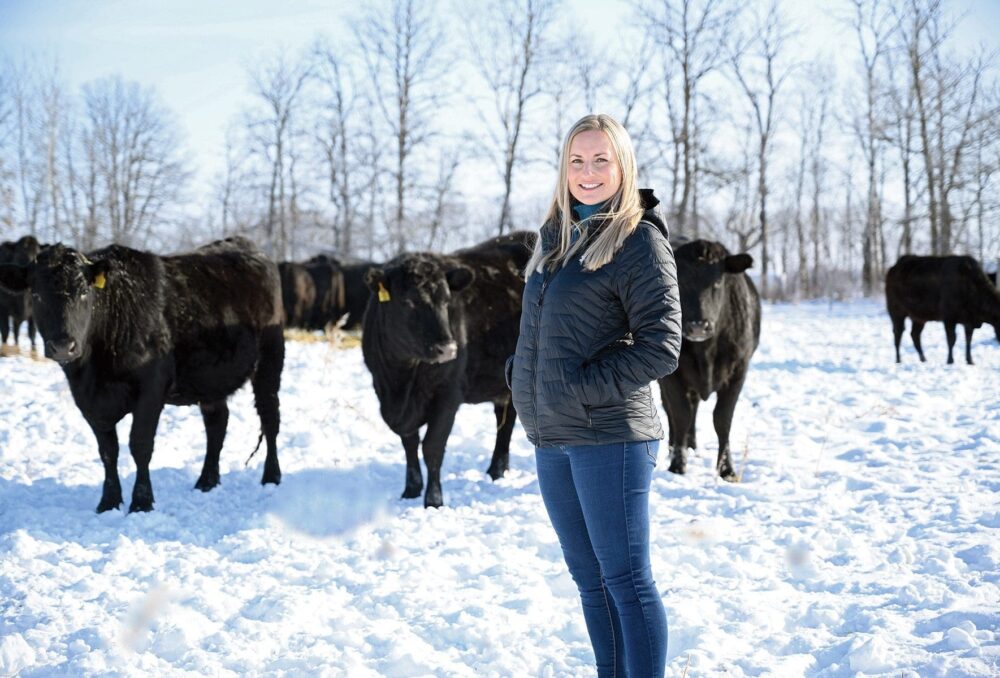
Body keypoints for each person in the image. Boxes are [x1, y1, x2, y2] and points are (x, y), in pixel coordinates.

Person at [506, 113, 681, 677]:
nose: (588, 172)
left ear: (622, 166)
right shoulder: (556, 236)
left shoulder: (637, 240)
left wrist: (581, 390)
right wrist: (521, 377)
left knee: (627, 582)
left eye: (601, 159)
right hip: (552, 435)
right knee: (590, 581)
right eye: (577, 160)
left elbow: (663, 347)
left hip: (610, 437)